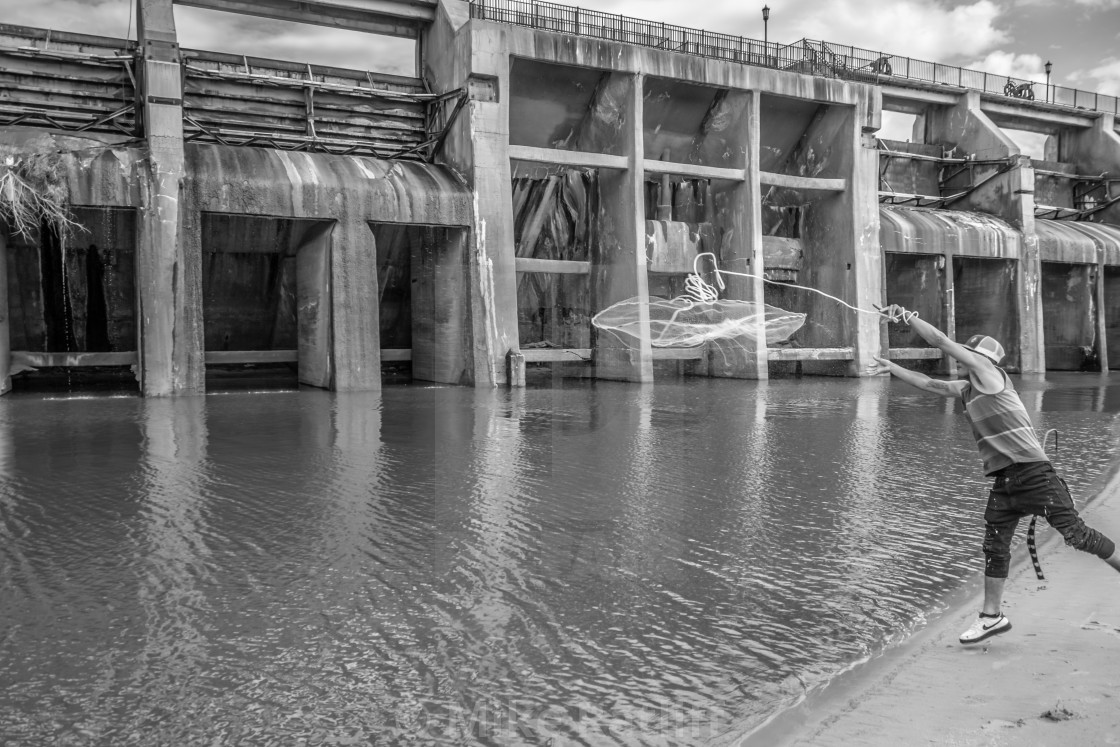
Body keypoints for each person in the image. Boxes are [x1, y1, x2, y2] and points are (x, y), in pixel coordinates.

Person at [867, 303, 1120, 644]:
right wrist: (892, 366)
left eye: (970, 353)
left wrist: (908, 317)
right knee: (994, 546)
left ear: (984, 360)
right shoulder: (967, 389)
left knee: (1077, 535)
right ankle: (992, 617)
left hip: (1034, 474)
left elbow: (941, 341)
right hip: (1003, 481)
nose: (964, 357)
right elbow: (929, 383)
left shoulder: (992, 378)